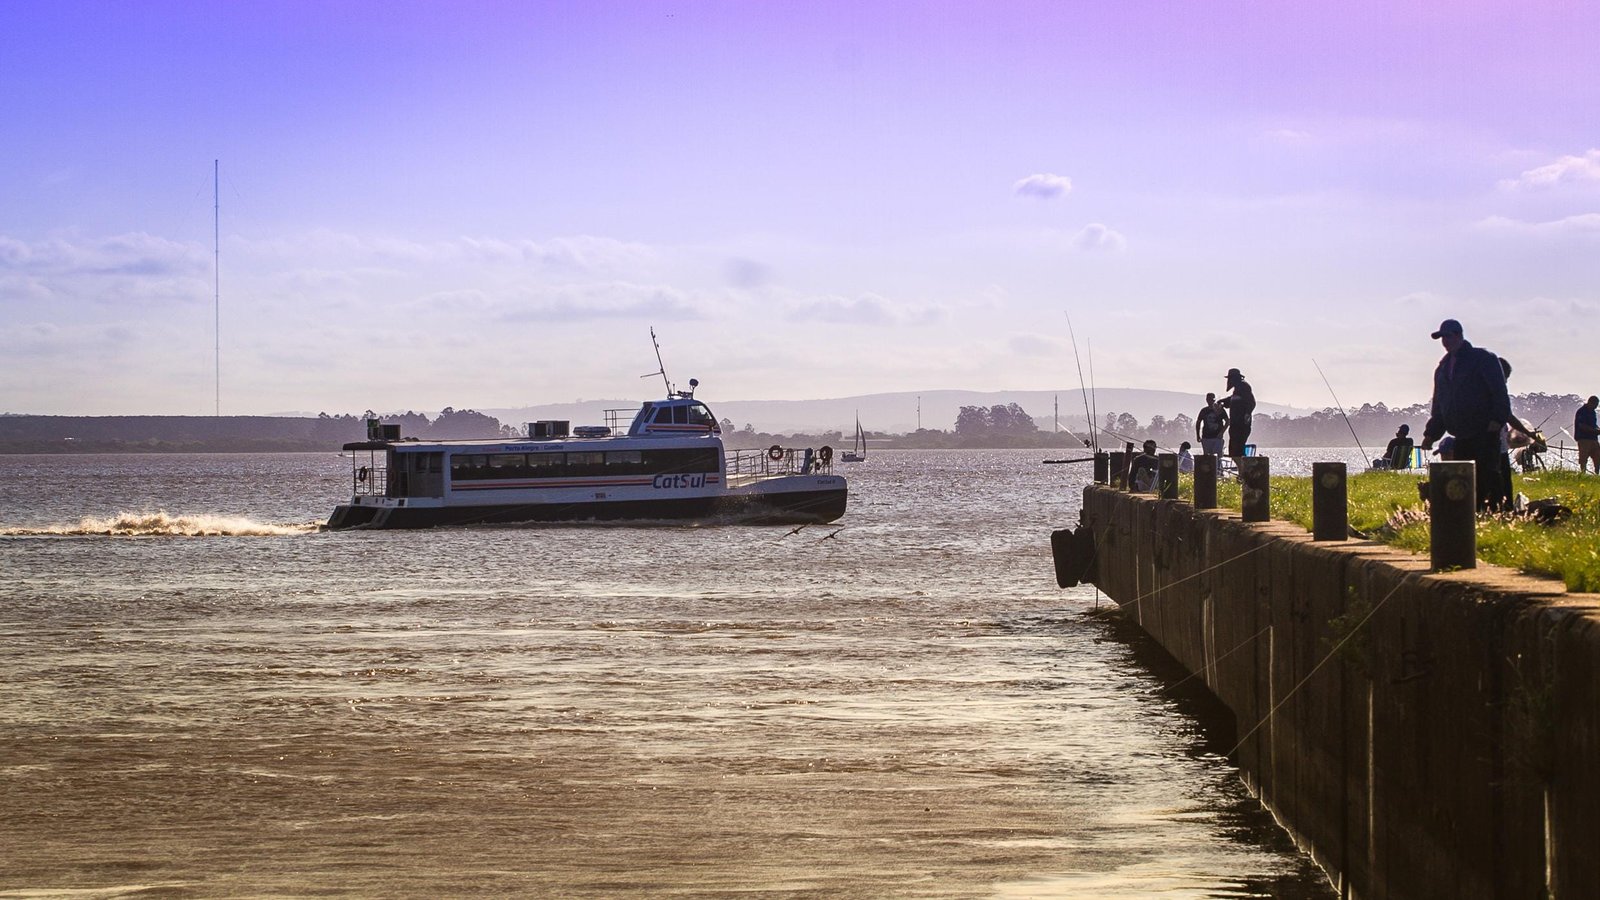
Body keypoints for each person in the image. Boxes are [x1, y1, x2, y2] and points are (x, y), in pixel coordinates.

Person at [1418, 319, 1514, 511]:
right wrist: (1431, 434)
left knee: (1489, 475)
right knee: (1464, 478)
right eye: (1442, 337)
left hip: (1485, 430)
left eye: (1448, 336)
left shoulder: (1483, 359)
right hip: (1461, 433)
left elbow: (1499, 393)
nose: (1445, 341)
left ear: (1459, 335)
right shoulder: (1443, 369)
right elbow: (1440, 404)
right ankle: (1471, 516)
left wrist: (1497, 420)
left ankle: (1498, 514)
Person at [1219, 368, 1255, 462]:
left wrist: (1247, 414)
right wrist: (1222, 402)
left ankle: (1242, 472)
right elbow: (1232, 400)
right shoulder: (1236, 391)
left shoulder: (1244, 387)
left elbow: (1251, 402)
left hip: (1241, 425)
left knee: (1237, 451)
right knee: (1234, 452)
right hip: (1234, 424)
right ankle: (1241, 472)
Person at [1195, 393, 1228, 459]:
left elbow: (1227, 421)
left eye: (1212, 400)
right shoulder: (1204, 411)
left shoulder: (1220, 410)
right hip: (1206, 437)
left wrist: (1222, 432)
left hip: (1217, 437)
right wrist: (1198, 435)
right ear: (1207, 400)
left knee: (1218, 456)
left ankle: (1218, 468)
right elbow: (1198, 422)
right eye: (1209, 399)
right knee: (1207, 457)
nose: (1211, 401)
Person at [1576, 396, 1600, 475]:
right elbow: (1581, 426)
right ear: (1590, 402)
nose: (1596, 406)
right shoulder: (1582, 411)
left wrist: (1597, 429)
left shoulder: (1593, 412)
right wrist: (1594, 430)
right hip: (1584, 439)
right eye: (1595, 404)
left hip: (1594, 439)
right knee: (1583, 459)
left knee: (1597, 457)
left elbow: (1594, 425)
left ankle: (1597, 474)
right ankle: (1583, 474)